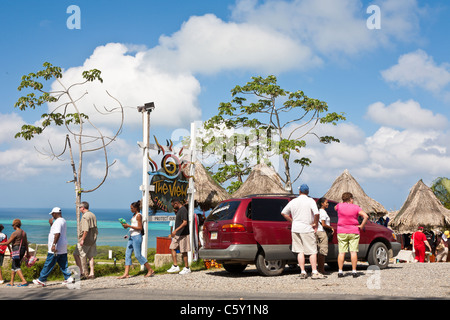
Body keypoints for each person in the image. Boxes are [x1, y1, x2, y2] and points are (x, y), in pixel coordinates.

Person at [281, 184, 326, 279]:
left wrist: (293, 221)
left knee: (299, 251)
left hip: (296, 228)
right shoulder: (310, 201)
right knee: (312, 251)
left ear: (300, 191)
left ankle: (302, 271)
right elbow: (316, 213)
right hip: (307, 228)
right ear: (307, 192)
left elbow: (284, 213)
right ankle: (314, 271)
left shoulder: (294, 201)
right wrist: (315, 224)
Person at [33, 207, 74, 287]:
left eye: (52, 214)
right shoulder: (63, 220)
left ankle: (41, 279)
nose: (52, 215)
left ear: (55, 213)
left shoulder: (58, 222)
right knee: (63, 263)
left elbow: (57, 233)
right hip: (62, 246)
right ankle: (69, 278)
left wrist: (54, 245)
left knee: (49, 263)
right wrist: (51, 224)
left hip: (56, 247)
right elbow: (56, 231)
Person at [118, 200, 155, 279]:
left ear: (136, 208)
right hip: (131, 236)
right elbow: (133, 225)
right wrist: (125, 226)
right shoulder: (134, 215)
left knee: (138, 255)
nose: (130, 209)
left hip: (137, 237)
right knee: (127, 254)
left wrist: (129, 226)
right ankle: (126, 274)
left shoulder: (139, 216)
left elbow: (140, 228)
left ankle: (150, 269)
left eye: (132, 208)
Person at [335, 192, 369, 278]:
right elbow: (366, 216)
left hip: (342, 231)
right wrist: (361, 225)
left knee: (341, 252)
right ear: (350, 199)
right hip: (353, 231)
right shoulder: (356, 207)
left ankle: (340, 271)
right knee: (353, 252)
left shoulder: (339, 206)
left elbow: (335, 207)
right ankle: (354, 271)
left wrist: (342, 203)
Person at [73, 201, 98, 279]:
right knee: (91, 256)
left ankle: (81, 272)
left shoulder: (84, 216)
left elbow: (85, 230)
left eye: (80, 208)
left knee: (76, 254)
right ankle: (92, 273)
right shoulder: (92, 215)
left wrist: (82, 239)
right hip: (93, 239)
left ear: (83, 207)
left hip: (86, 239)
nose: (79, 209)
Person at [1, 219, 29, 286]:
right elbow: (26, 243)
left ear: (15, 225)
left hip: (16, 249)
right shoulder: (23, 232)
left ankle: (24, 281)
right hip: (22, 249)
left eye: (13, 225)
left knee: (16, 265)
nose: (12, 227)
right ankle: (11, 282)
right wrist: (27, 252)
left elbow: (8, 242)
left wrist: (0, 244)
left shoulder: (15, 233)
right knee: (14, 265)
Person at [167, 199, 191, 275]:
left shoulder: (183, 210)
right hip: (178, 234)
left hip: (183, 234)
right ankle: (175, 265)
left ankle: (187, 268)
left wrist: (175, 230)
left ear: (176, 203)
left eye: (173, 205)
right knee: (172, 248)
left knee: (184, 251)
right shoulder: (179, 210)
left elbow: (185, 223)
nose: (173, 207)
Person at [316, 198, 334, 275]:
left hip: (317, 231)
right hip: (322, 232)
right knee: (322, 252)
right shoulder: (323, 212)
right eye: (326, 202)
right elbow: (323, 224)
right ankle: (321, 269)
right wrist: (331, 228)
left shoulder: (318, 211)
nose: (328, 204)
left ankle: (319, 268)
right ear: (322, 204)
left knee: (318, 251)